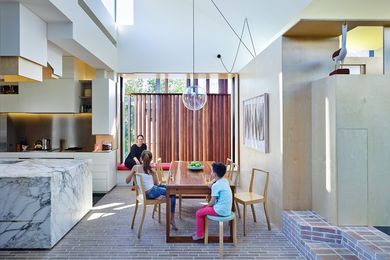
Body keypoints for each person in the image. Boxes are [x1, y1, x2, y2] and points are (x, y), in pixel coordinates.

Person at [125, 150, 178, 230]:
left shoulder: (135, 168)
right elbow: (157, 184)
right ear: (150, 160)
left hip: (146, 193)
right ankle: (172, 219)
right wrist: (162, 184)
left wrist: (133, 173)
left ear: (141, 159)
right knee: (172, 192)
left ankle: (161, 197)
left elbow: (127, 181)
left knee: (169, 189)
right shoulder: (152, 171)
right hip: (152, 192)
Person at [192, 162, 232, 240]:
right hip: (227, 209)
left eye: (212, 171)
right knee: (203, 208)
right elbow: (216, 180)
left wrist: (207, 206)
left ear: (215, 174)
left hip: (220, 211)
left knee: (198, 213)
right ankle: (200, 231)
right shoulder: (225, 181)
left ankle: (200, 235)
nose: (211, 172)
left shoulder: (215, 186)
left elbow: (212, 202)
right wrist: (212, 182)